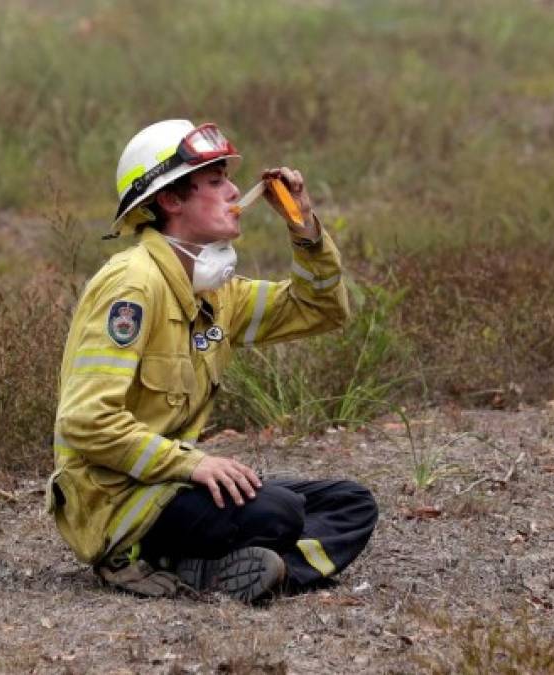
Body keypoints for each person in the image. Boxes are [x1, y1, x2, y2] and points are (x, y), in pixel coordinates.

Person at [45, 119, 378, 603]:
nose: (234, 191)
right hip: (118, 501)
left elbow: (322, 309)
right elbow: (85, 421)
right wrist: (193, 464)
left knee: (351, 503)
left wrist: (303, 228)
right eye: (216, 180)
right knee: (278, 513)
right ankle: (142, 559)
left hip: (171, 483)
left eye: (227, 178)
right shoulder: (133, 286)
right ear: (171, 200)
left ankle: (240, 571)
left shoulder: (218, 293)